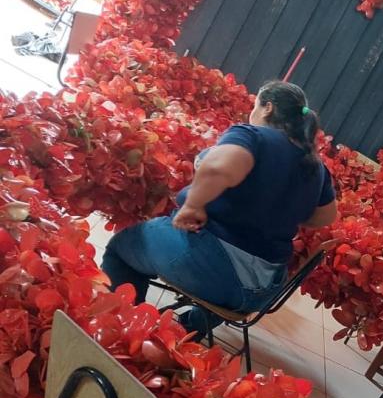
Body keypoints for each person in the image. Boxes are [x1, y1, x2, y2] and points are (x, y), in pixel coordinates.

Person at [102, 81, 337, 331]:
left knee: (121, 250)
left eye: (255, 105)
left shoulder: (253, 136)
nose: (252, 112)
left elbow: (219, 168)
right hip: (261, 291)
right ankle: (186, 330)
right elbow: (325, 217)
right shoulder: (315, 166)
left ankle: (127, 332)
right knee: (216, 290)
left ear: (267, 108)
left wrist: (193, 205)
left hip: (213, 271)